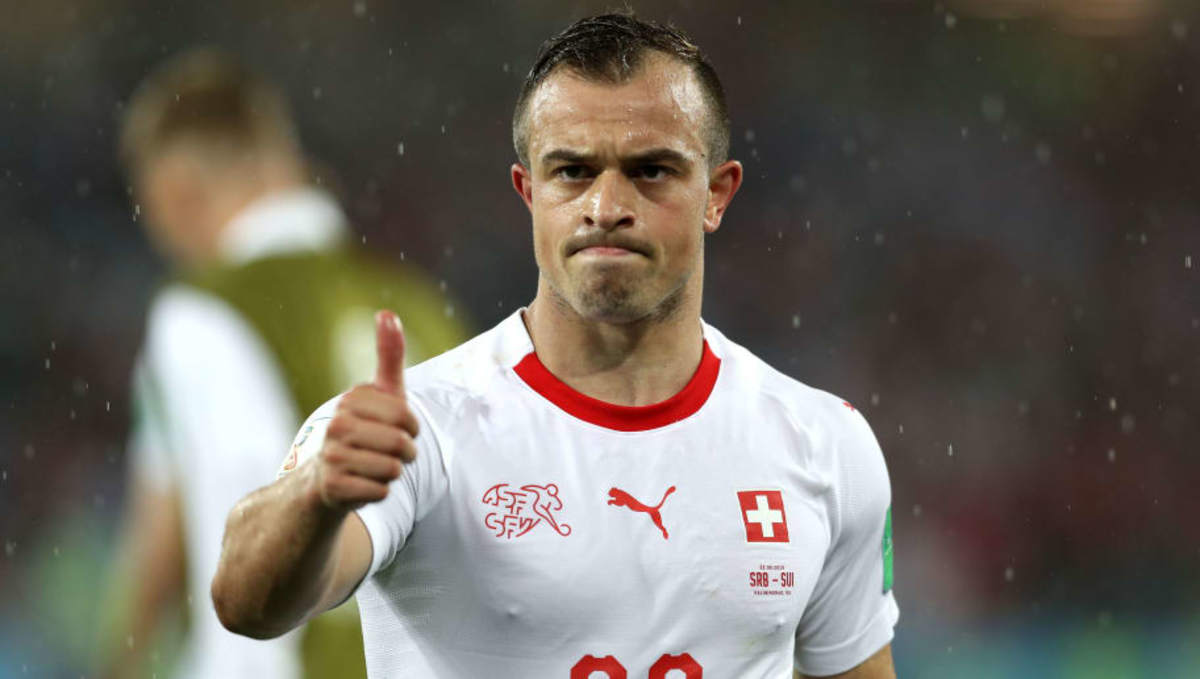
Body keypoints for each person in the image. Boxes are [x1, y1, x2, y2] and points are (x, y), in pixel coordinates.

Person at [211, 13, 898, 678]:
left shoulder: (824, 445)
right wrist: (315, 494)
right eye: (572, 171)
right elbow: (247, 603)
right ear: (529, 191)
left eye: (651, 170)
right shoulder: (420, 431)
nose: (606, 207)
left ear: (716, 194)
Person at [101, 49, 469, 679]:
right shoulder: (423, 304)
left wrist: (117, 663)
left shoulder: (199, 313)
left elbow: (180, 551)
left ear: (176, 193)